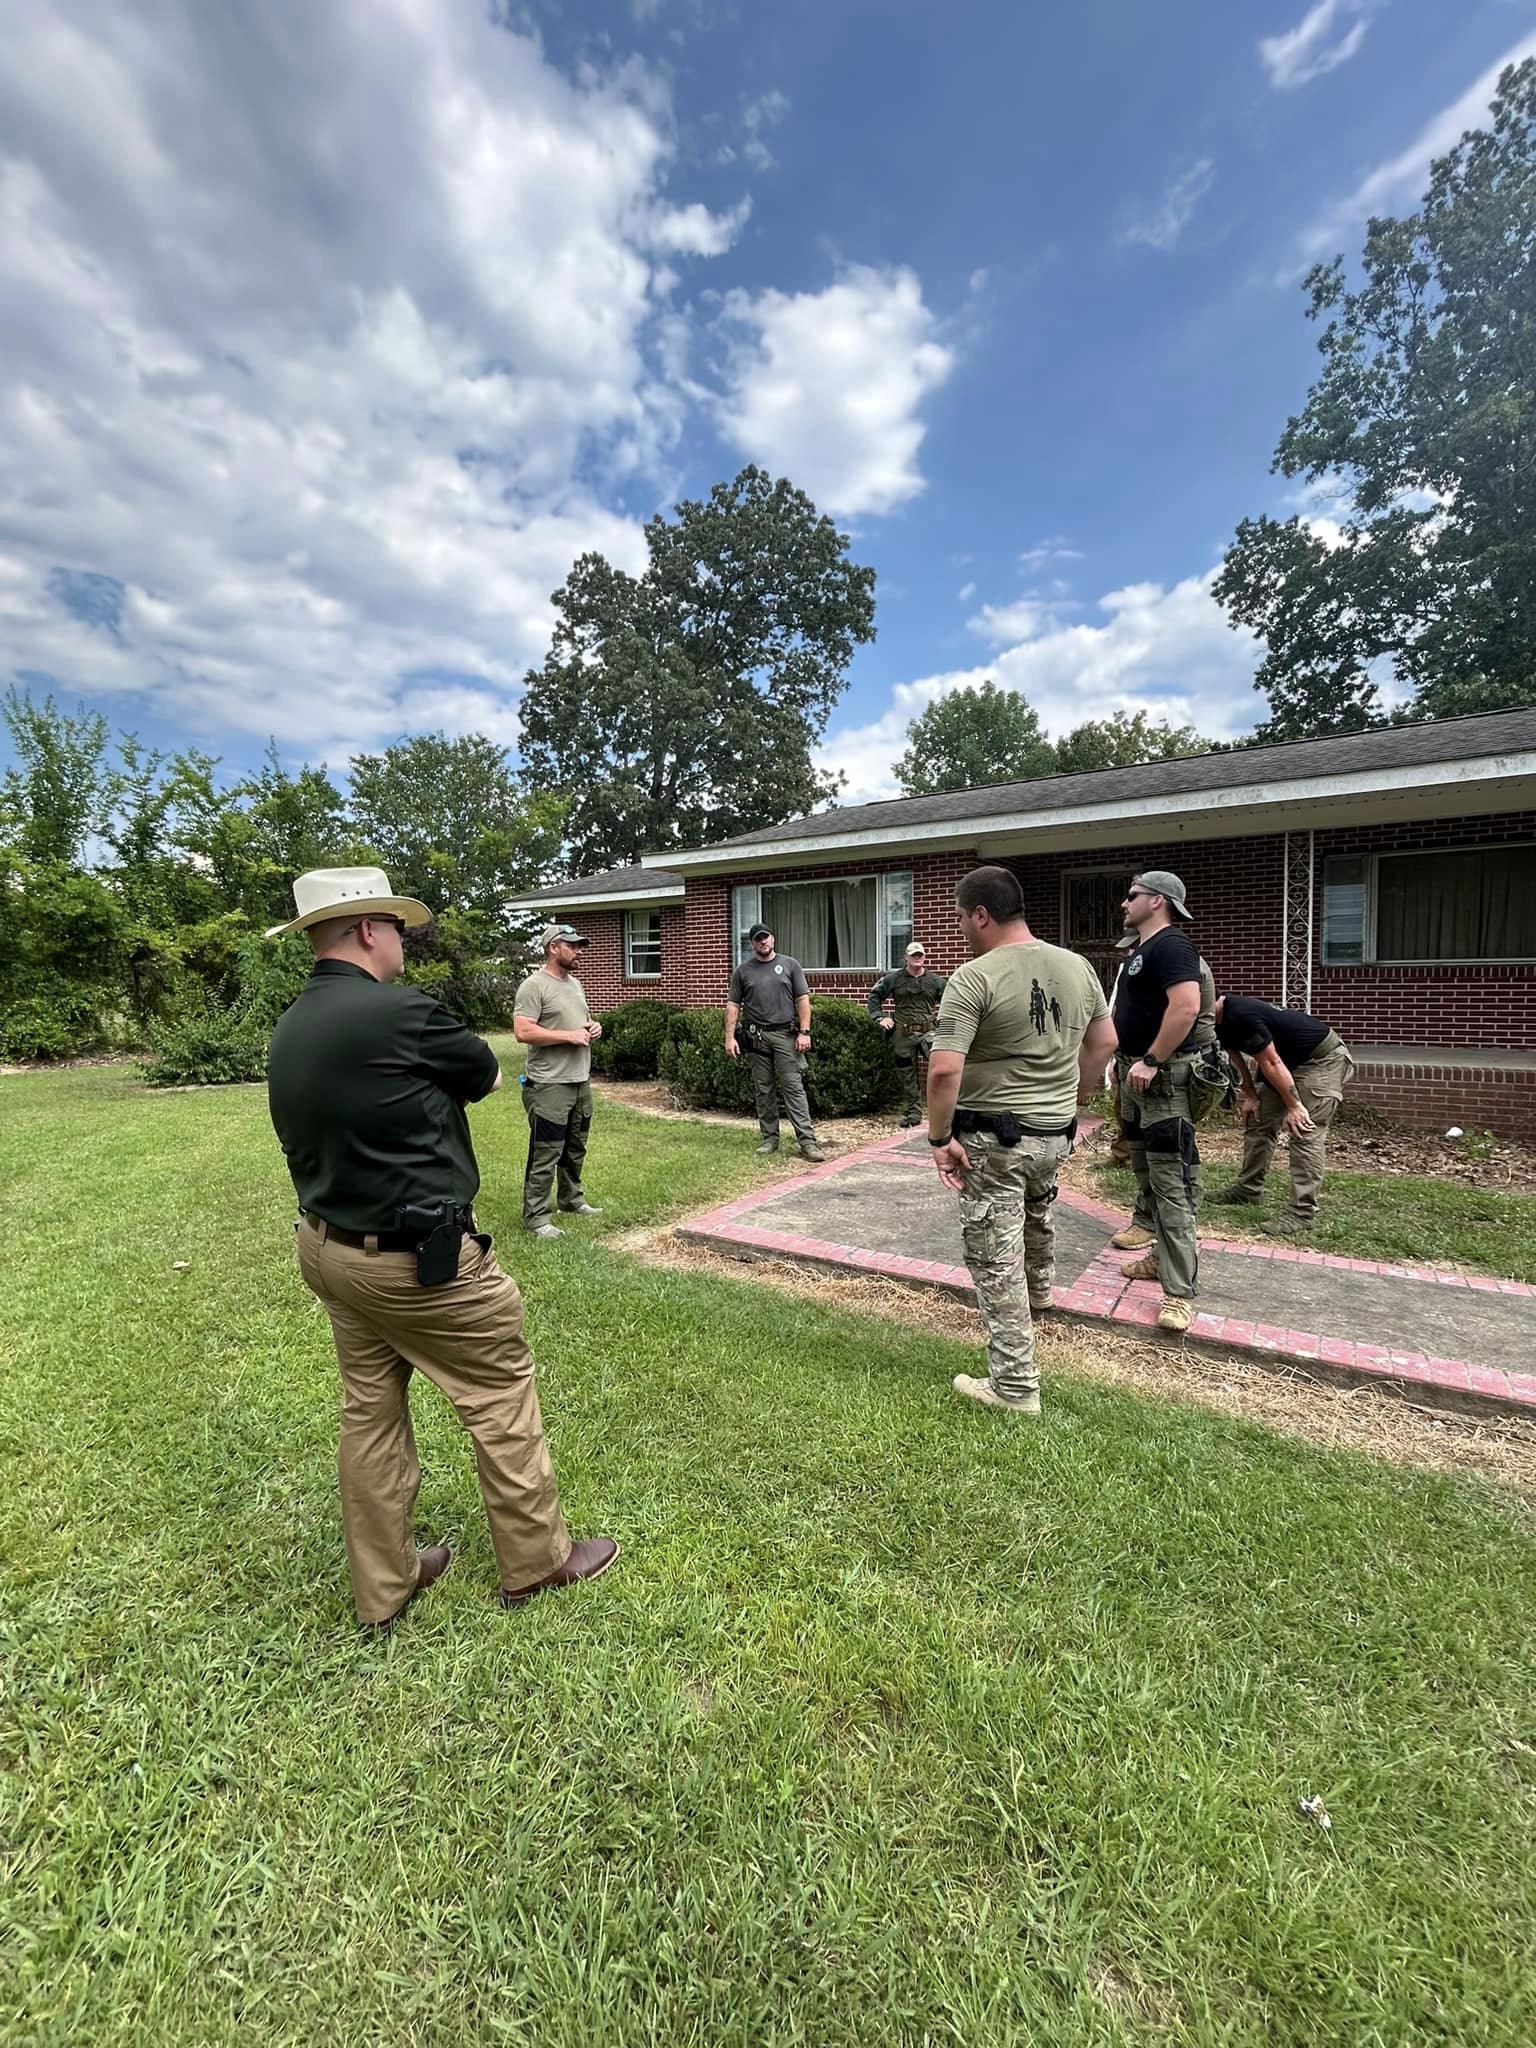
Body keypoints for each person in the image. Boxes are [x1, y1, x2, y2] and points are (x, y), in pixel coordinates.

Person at [265, 868, 617, 1634]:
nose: (404, 941)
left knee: (369, 1412)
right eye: (397, 927)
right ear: (368, 929)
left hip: (326, 1250)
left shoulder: (293, 1024)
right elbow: (485, 1075)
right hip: (415, 1258)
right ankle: (538, 1563)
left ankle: (384, 1586)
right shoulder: (400, 1013)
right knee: (499, 1392)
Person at [927, 865, 1116, 1417]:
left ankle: (1014, 1385)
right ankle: (1041, 1295)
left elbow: (944, 1070)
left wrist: (939, 1137)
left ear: (981, 915)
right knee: (1037, 1211)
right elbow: (1105, 1042)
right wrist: (1075, 1098)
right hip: (1054, 1133)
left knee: (995, 1254)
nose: (960, 928)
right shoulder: (1078, 966)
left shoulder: (974, 977)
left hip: (995, 1140)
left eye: (961, 918)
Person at [1110, 871, 1203, 1333]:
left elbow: (1186, 1007)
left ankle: (1178, 1294)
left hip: (1163, 1082)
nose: (1124, 903)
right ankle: (1158, 1257)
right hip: (1135, 1078)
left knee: (1172, 1185)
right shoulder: (1141, 950)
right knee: (1146, 1173)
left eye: (1133, 895)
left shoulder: (1173, 945)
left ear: (1157, 901)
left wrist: (1151, 1059)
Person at [1208, 996, 1355, 1235]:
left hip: (1320, 1060)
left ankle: (1302, 1212)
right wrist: (1251, 1094)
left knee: (1304, 1129)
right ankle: (1248, 1190)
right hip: (1284, 1061)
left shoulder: (1241, 1015)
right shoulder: (1215, 1021)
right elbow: (1233, 1054)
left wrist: (1295, 1106)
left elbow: (1271, 1062)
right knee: (1258, 1119)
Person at [1108, 930, 1218, 1252]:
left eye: (1133, 946)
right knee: (1144, 1154)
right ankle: (1147, 1221)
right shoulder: (1142, 963)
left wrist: (1157, 1059)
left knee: (1170, 1160)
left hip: (1169, 1070)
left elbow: (1192, 1018)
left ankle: (1172, 1239)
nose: (1129, 952)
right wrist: (1120, 1056)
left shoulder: (1179, 961)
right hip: (1136, 1067)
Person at [512, 923, 604, 1239]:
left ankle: (571, 1200)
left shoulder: (575, 984)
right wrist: (569, 1036)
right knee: (546, 1151)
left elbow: (579, 1022)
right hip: (549, 1084)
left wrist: (593, 1026)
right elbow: (523, 1031)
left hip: (580, 1080)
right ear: (553, 947)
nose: (578, 952)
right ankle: (537, 1218)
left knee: (575, 1147)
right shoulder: (533, 986)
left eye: (579, 946)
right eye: (572, 946)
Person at [725, 923, 825, 1162]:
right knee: (763, 1090)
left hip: (785, 1036)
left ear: (773, 939)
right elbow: (733, 1005)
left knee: (794, 1088)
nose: (763, 942)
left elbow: (803, 1000)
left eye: (766, 937)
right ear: (752, 943)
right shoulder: (742, 971)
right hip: (756, 1037)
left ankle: (807, 1142)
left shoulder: (790, 965)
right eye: (758, 939)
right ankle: (769, 1139)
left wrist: (804, 1032)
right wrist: (729, 1037)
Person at [865, 941, 948, 1126]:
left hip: (928, 1033)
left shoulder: (936, 981)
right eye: (913, 955)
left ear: (924, 957)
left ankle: (947, 1109)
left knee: (943, 1068)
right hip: (902, 1035)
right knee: (906, 1074)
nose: (917, 958)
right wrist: (879, 1017)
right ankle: (913, 1113)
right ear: (906, 958)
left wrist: (944, 1023)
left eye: (920, 955)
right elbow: (874, 996)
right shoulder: (893, 979)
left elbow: (951, 1002)